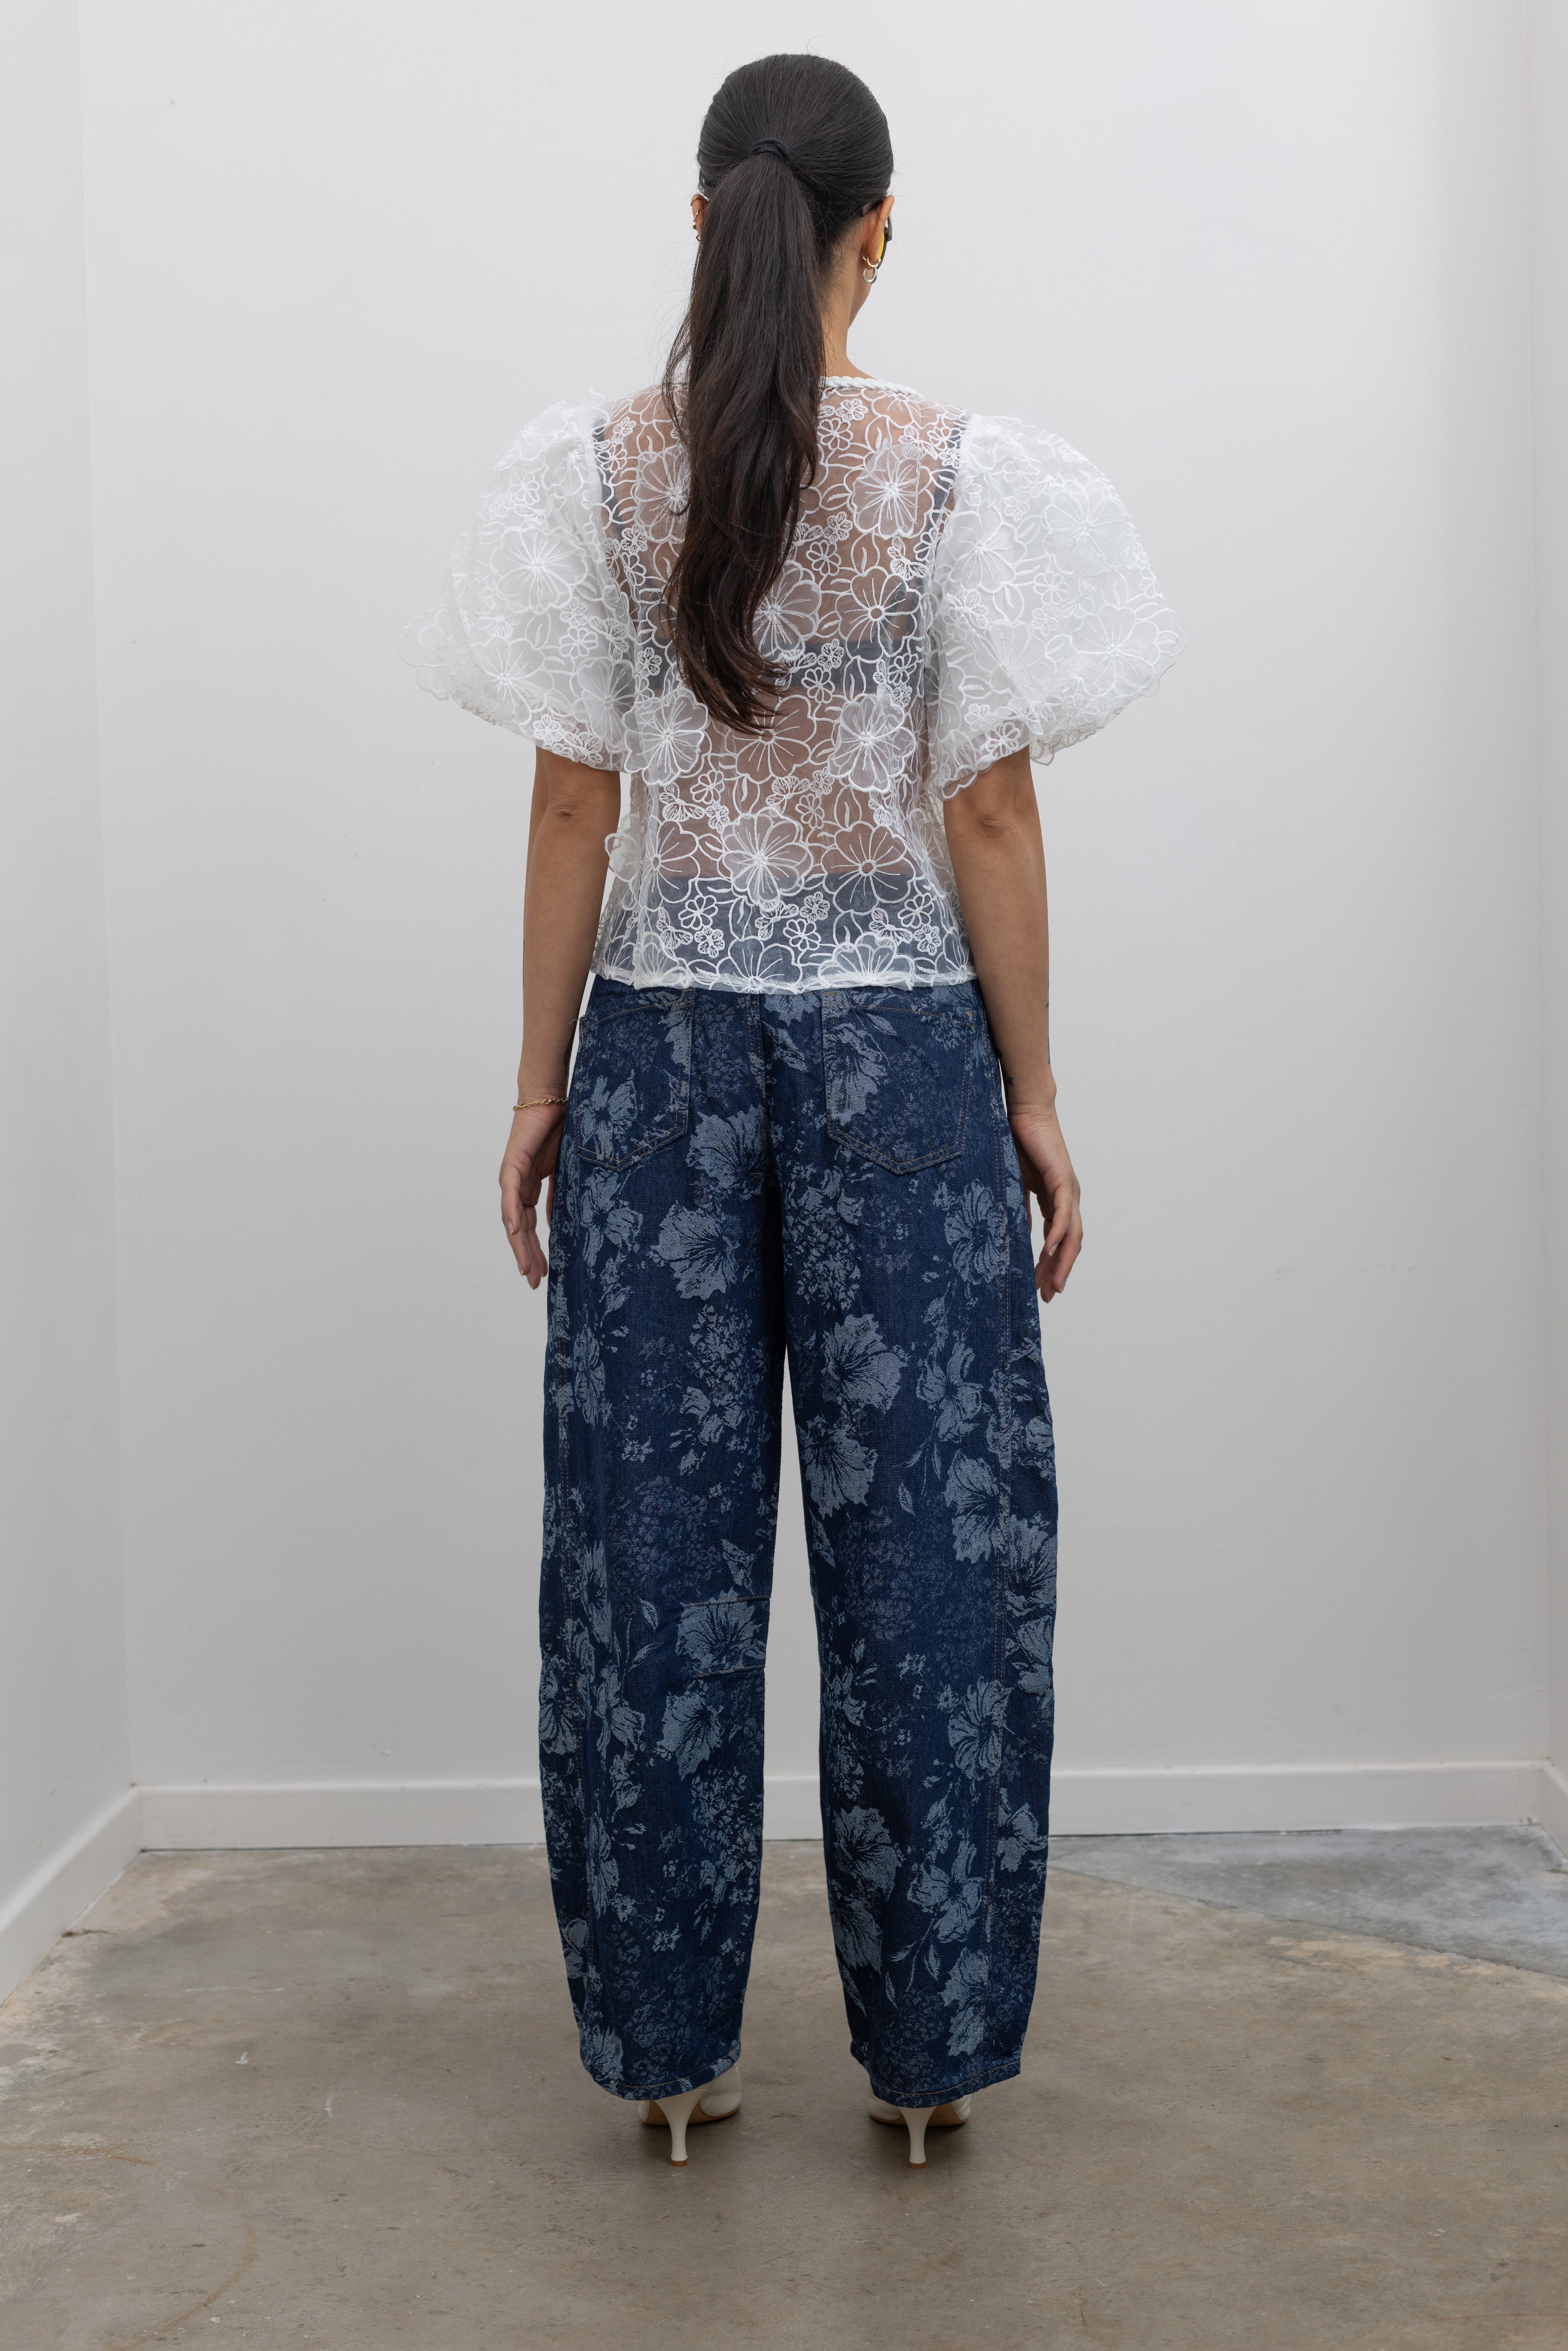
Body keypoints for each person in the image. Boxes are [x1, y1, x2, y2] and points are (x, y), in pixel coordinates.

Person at [407, 52, 1180, 2170]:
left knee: (647, 1568)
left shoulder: (591, 472)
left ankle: (669, 2060)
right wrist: (1032, 1097)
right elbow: (989, 811)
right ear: (877, 231)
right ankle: (925, 2061)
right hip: (900, 1063)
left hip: (652, 1061)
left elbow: (577, 794)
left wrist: (535, 1084)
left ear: (695, 225)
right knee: (932, 1561)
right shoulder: (954, 475)